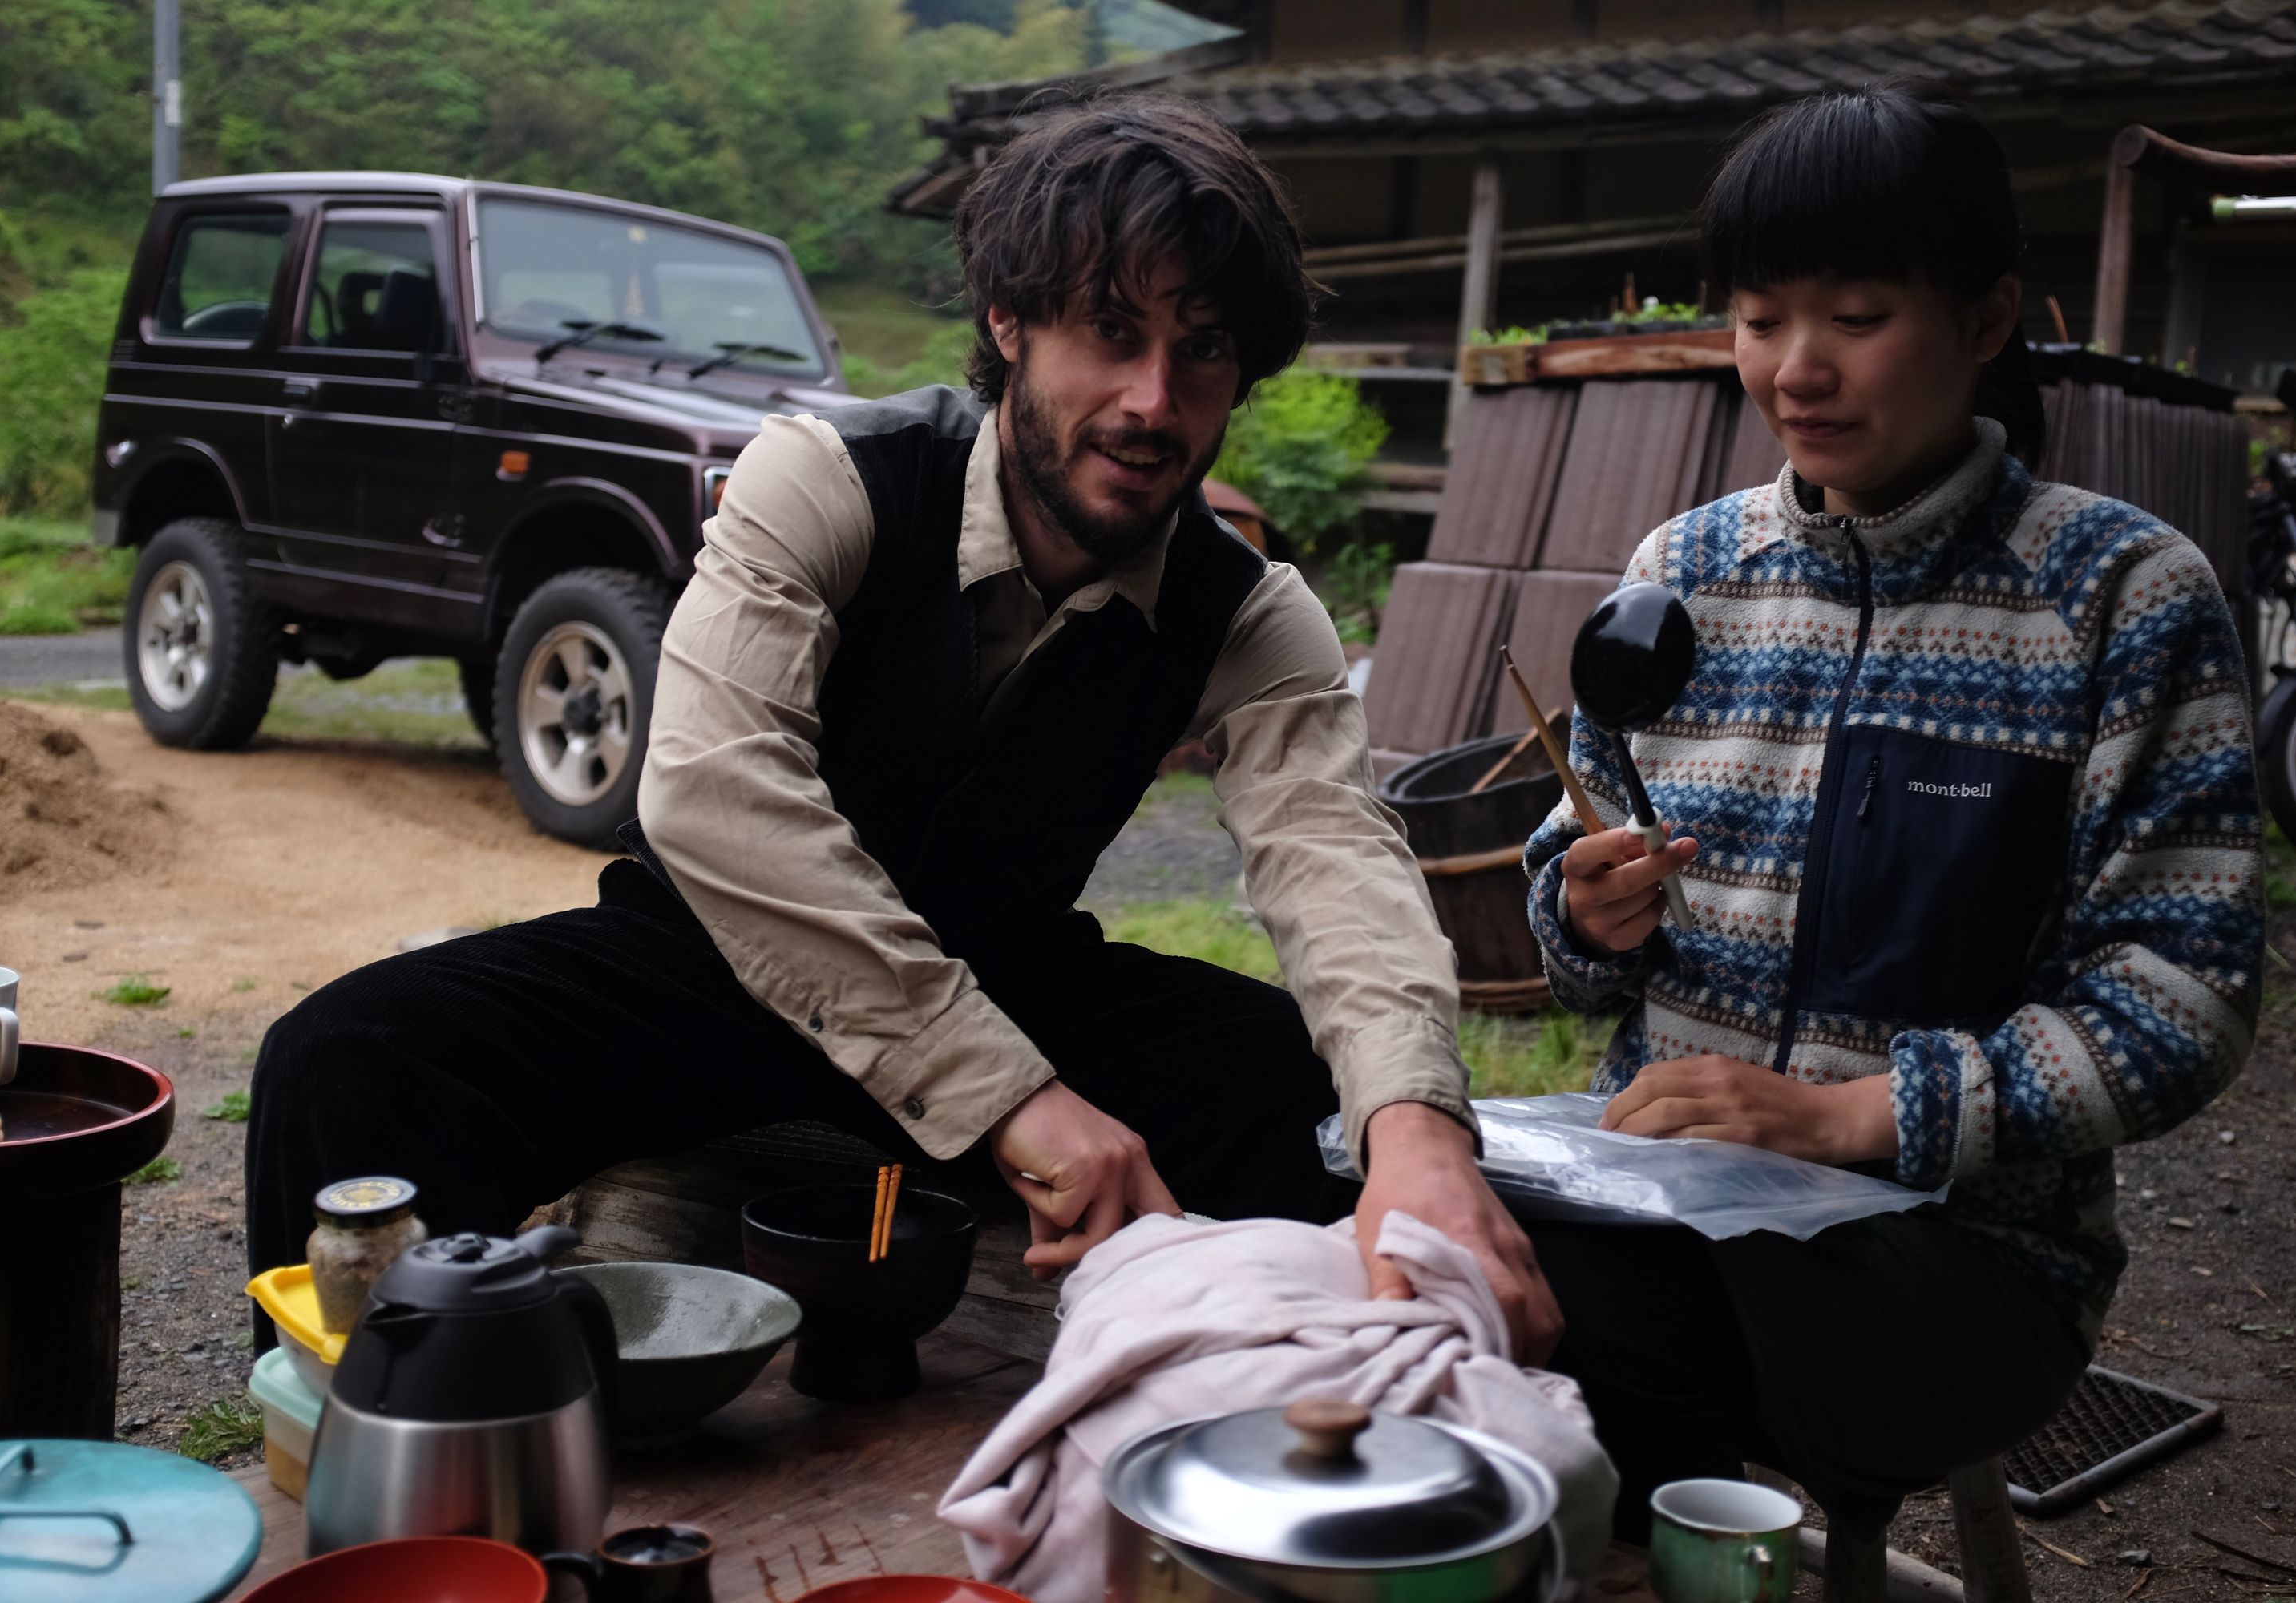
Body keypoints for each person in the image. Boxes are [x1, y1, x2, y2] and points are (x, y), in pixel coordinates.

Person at [245, 96, 1559, 1361]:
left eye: (1203, 348)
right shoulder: (825, 481)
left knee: (1298, 1083)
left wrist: (1419, 1128)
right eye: (1110, 330)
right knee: (351, 1062)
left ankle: (1303, 1401)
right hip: (713, 973)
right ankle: (402, 1432)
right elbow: (710, 796)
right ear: (1010, 322)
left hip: (1008, 971)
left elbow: (1337, 861)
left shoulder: (1252, 612)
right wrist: (1012, 1099)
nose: (1154, 401)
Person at [1522, 81, 2262, 1535]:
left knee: (1586, 1332)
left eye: (1857, 316)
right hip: (1664, 1195)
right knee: (1436, 1238)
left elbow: (2185, 998)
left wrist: (1854, 1116)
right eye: (1757, 318)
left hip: (1966, 1266)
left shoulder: (2116, 597)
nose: (1797, 369)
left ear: (1987, 320)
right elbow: (1569, 884)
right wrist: (1589, 911)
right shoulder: (1688, 571)